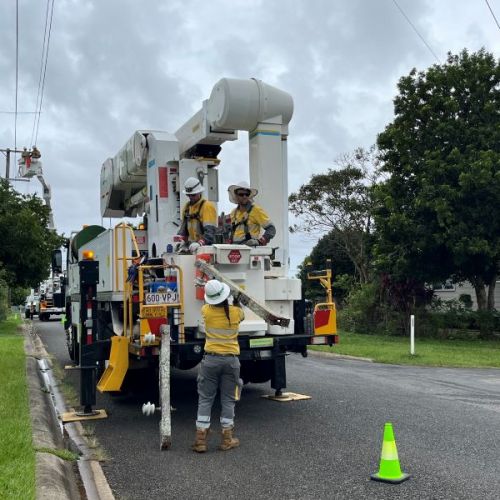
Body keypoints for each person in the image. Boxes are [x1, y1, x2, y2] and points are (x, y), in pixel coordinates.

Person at [192, 279, 244, 453]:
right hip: (231, 361)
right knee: (228, 399)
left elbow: (209, 304)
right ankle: (227, 439)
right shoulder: (236, 313)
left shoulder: (206, 310)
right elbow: (240, 313)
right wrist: (236, 299)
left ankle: (200, 439)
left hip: (211, 361)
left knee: (206, 398)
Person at [228, 181, 276, 246]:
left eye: (247, 194)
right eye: (241, 194)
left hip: (250, 250)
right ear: (236, 196)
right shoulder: (233, 213)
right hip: (234, 250)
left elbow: (271, 229)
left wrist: (260, 241)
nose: (244, 196)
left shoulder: (256, 210)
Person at [176, 177, 217, 253]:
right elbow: (183, 231)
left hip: (206, 249)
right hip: (192, 248)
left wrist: (200, 243)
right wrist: (180, 240)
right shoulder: (186, 208)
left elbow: (210, 233)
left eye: (193, 195)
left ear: (199, 192)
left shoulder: (207, 206)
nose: (191, 197)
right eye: (189, 195)